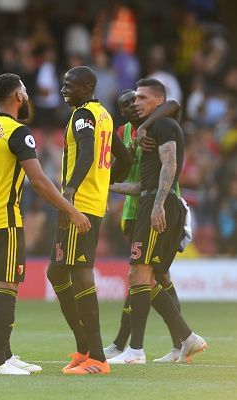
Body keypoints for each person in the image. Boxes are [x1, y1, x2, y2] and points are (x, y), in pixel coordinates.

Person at [0, 73, 91, 375]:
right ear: (18, 97)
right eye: (25, 90)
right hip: (4, 217)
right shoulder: (18, 131)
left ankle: (5, 354)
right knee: (8, 285)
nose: (28, 95)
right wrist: (72, 211)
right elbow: (38, 181)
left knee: (1, 286)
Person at [108, 79, 207, 364]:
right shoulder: (150, 129)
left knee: (140, 275)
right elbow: (142, 185)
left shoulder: (163, 126)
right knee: (148, 278)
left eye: (141, 98)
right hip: (149, 199)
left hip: (157, 204)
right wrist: (108, 187)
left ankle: (135, 351)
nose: (135, 102)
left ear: (157, 100)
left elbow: (171, 165)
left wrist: (159, 204)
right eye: (133, 99)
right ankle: (187, 339)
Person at [46, 66, 132, 375]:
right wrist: (103, 182)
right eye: (63, 83)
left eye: (70, 85)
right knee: (56, 272)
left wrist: (69, 192)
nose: (64, 89)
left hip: (79, 204)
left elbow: (85, 151)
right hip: (89, 201)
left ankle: (97, 358)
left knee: (80, 275)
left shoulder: (83, 115)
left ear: (87, 88)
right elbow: (125, 160)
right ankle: (84, 348)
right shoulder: (106, 116)